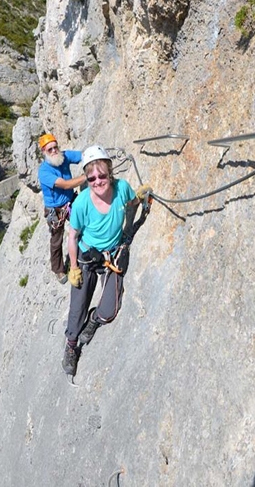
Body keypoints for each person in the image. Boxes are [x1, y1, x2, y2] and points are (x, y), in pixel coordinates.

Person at [62, 145, 151, 375]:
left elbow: (130, 204)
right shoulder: (82, 202)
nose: (97, 181)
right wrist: (73, 268)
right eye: (91, 178)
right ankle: (71, 345)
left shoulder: (121, 188)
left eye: (102, 175)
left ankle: (94, 320)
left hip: (111, 255)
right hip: (87, 257)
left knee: (109, 310)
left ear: (110, 173)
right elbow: (72, 236)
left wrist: (140, 200)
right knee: (77, 306)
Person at [37, 133, 87, 284]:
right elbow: (65, 185)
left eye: (55, 147)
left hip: (70, 201)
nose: (54, 151)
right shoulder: (44, 171)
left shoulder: (63, 157)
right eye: (49, 149)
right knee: (56, 240)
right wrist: (88, 176)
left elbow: (83, 156)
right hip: (55, 209)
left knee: (82, 226)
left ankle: (85, 252)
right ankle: (58, 269)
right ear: (44, 152)